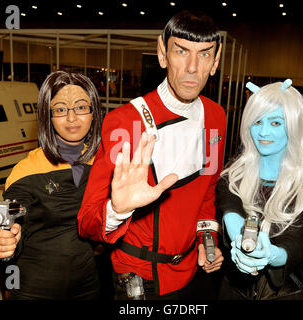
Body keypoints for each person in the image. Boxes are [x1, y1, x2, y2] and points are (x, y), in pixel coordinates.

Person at [77, 10, 226, 299]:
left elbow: (207, 192)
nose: (193, 67)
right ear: (162, 53)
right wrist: (117, 210)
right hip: (137, 279)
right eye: (181, 51)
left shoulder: (216, 116)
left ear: (216, 62)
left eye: (205, 55)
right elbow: (87, 223)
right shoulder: (125, 121)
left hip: (193, 273)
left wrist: (207, 240)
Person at [0, 71, 103, 300]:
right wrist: (4, 238)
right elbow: (11, 213)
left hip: (89, 285)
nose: (71, 118)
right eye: (60, 110)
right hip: (35, 289)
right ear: (47, 117)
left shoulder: (102, 162)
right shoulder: (27, 170)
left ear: (93, 113)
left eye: (80, 107)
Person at [216, 79, 303, 300]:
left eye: (276, 123)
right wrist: (244, 245)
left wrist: (269, 253)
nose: (263, 132)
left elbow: (297, 245)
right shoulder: (231, 177)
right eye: (257, 121)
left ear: (293, 126)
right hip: (232, 292)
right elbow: (231, 213)